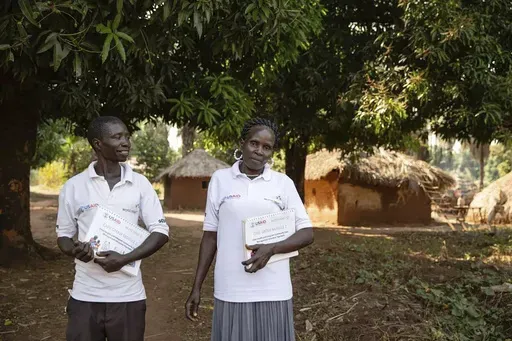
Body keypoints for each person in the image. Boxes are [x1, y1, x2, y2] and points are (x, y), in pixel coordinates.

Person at [185, 118, 314, 341]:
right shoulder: (220, 180)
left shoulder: (282, 183)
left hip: (273, 288)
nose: (259, 151)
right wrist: (196, 287)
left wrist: (272, 249)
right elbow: (210, 237)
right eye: (254, 143)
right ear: (242, 143)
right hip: (231, 287)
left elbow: (307, 233)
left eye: (267, 147)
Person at [56, 116, 169, 341]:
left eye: (126, 136)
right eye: (117, 137)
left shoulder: (140, 184)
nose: (125, 142)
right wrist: (76, 250)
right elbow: (64, 236)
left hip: (128, 296)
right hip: (85, 295)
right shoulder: (74, 186)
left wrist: (125, 258)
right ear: (98, 144)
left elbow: (161, 232)